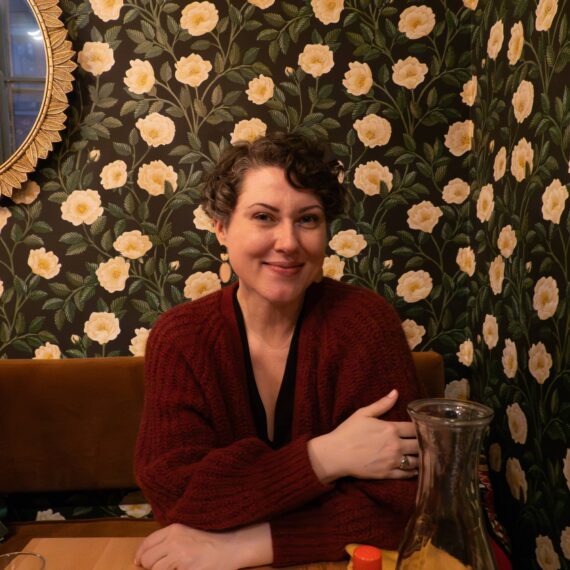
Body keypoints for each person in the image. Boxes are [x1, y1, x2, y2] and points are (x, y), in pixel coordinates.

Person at [134, 133, 422, 570]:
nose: (288, 242)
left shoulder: (365, 325)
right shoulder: (181, 339)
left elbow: (400, 509)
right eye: (264, 217)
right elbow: (177, 498)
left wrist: (239, 545)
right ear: (222, 227)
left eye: (307, 219)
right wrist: (327, 457)